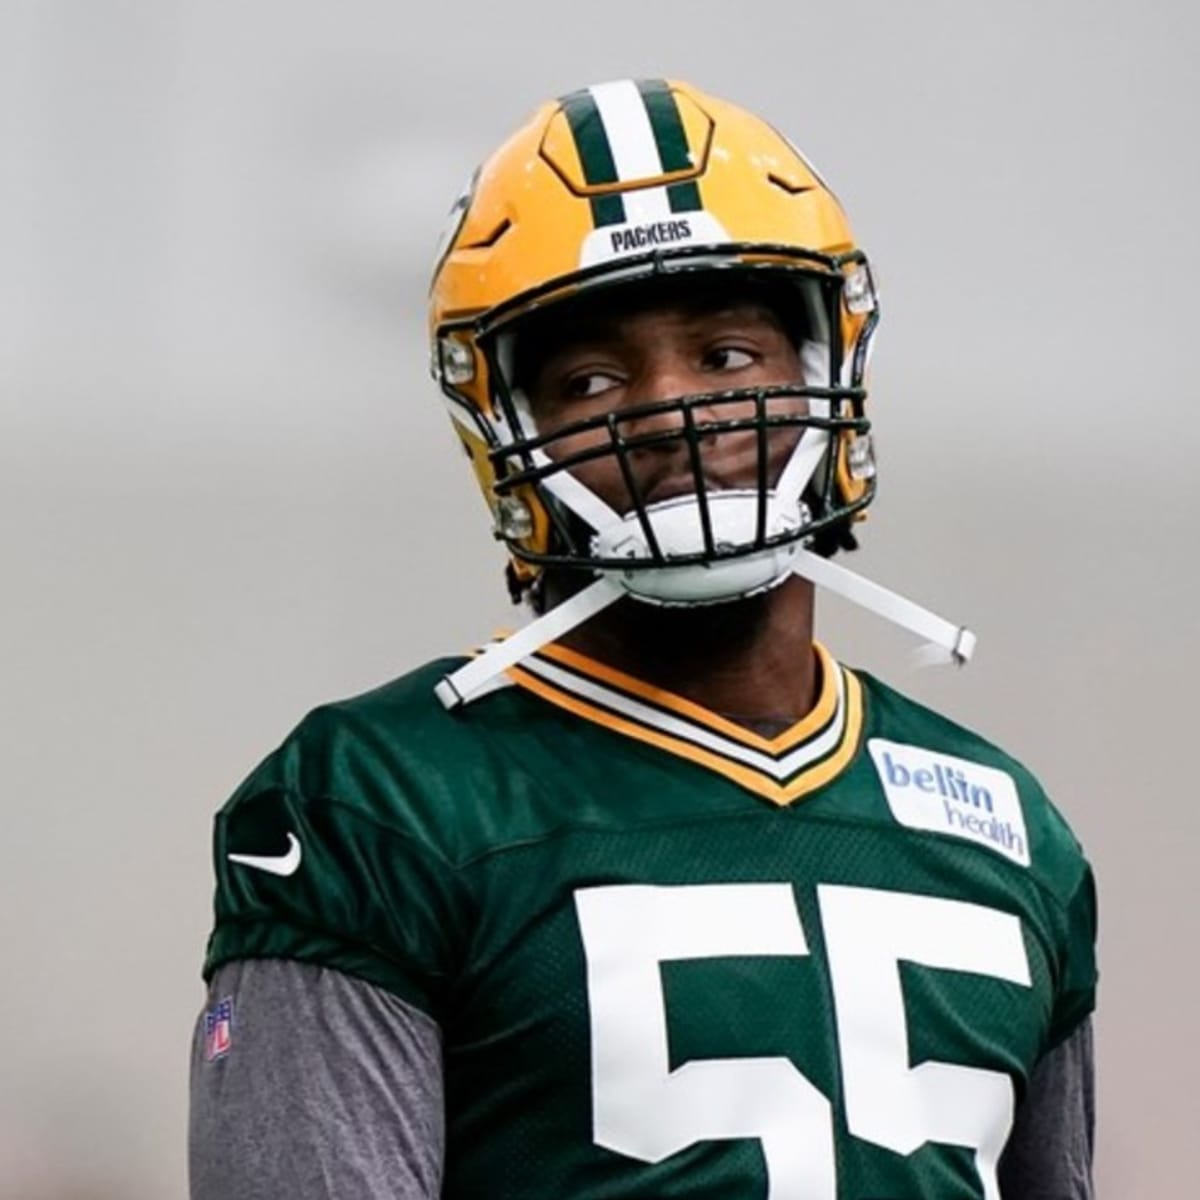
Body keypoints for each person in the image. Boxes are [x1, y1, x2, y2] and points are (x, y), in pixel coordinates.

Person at [190, 79, 1097, 1199]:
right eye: (593, 379)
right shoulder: (380, 800)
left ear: (829, 367)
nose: (671, 409)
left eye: (724, 355)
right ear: (505, 431)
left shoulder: (1006, 824)